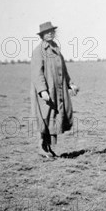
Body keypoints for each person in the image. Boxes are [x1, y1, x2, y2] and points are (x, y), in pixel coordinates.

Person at [30, 22, 79, 158]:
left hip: (57, 90)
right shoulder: (38, 51)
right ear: (42, 35)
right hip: (46, 91)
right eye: (47, 32)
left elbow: (63, 70)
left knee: (54, 117)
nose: (50, 33)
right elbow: (36, 73)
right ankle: (41, 147)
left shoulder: (56, 49)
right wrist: (42, 90)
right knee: (44, 117)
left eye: (52, 31)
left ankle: (48, 147)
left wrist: (70, 84)